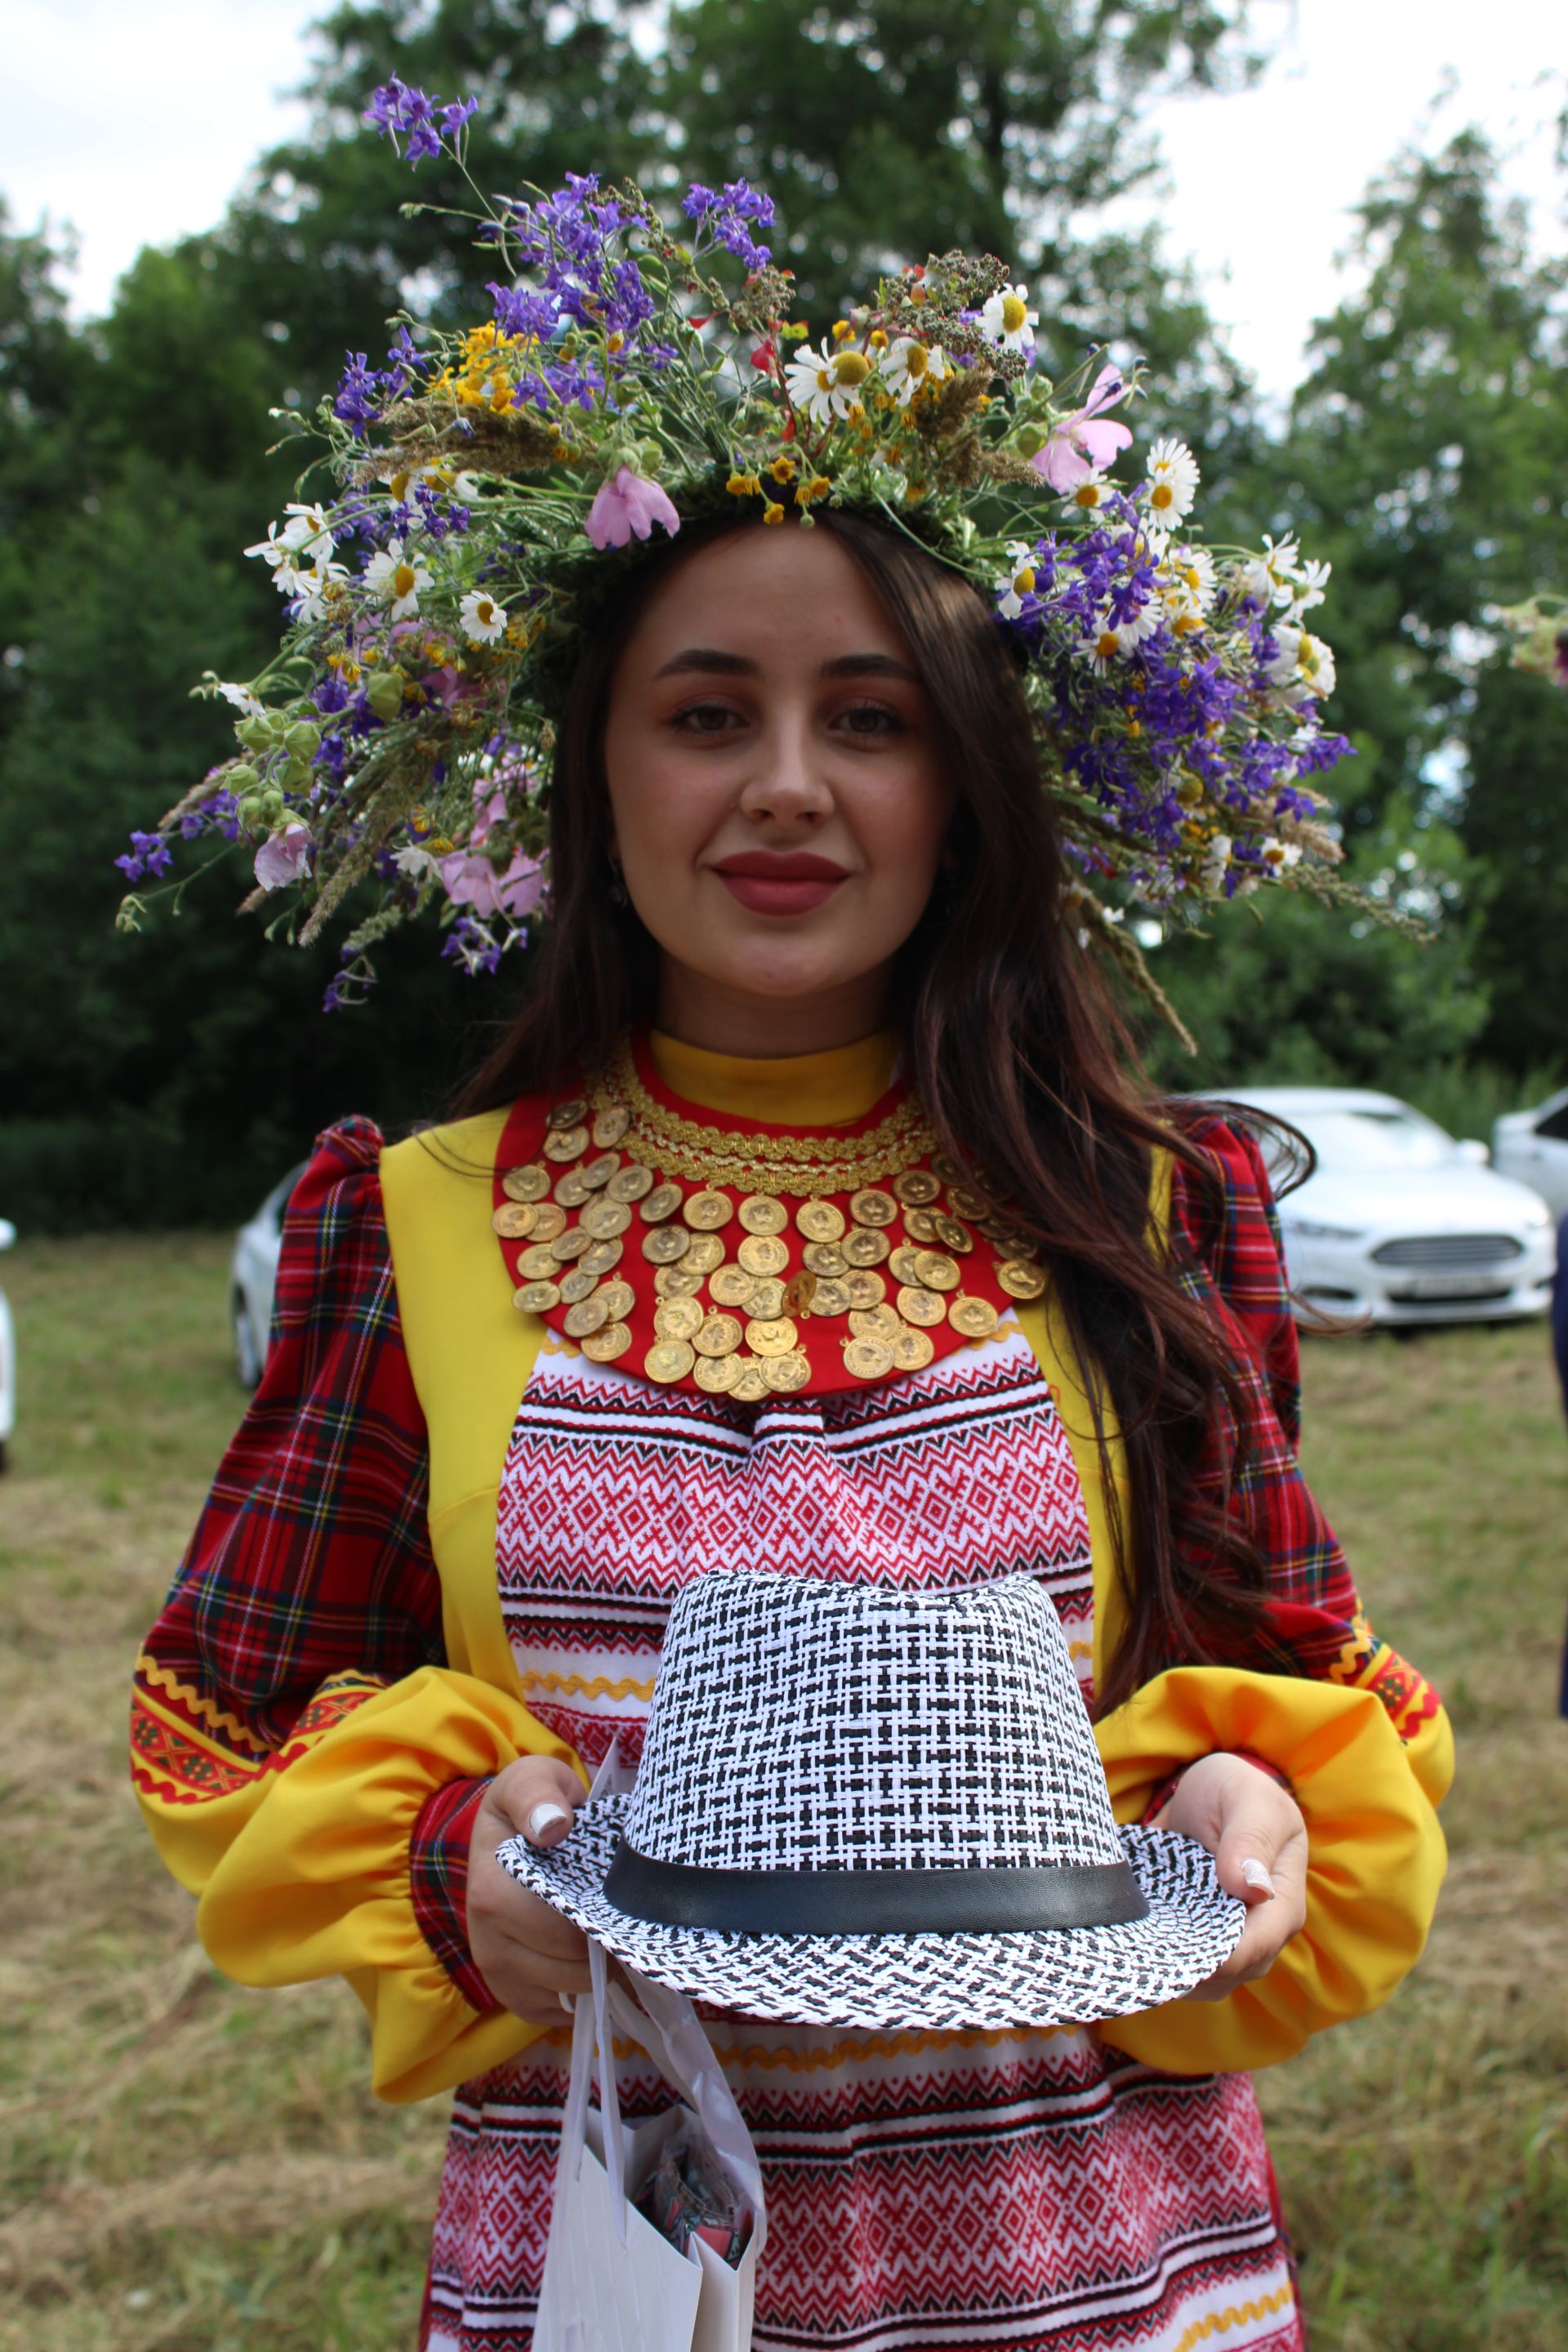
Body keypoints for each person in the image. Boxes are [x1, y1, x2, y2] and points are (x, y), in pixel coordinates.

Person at [131, 511, 1450, 2352]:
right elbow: (224, 1722)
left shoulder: (1149, 1214)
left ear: (971, 782)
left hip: (1102, 2253)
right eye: (703, 715)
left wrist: (1253, 1810)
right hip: (615, 2264)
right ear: (590, 771)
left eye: (873, 719)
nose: (784, 786)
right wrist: (450, 1863)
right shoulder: (408, 1225)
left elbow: (1300, 1671)